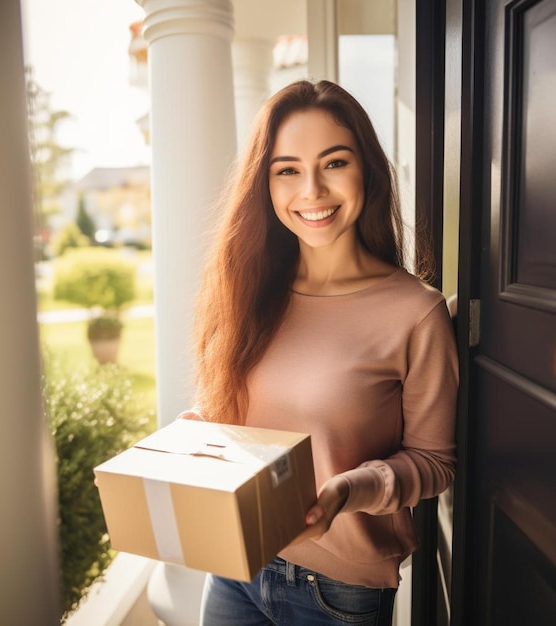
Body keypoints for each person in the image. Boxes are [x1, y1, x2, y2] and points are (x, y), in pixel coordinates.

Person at [186, 79, 459, 626]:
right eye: (287, 169)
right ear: (264, 185)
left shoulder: (415, 312)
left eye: (333, 163)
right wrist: (188, 438)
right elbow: (230, 417)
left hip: (336, 594)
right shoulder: (249, 292)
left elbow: (435, 463)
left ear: (368, 172)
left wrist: (350, 491)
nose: (311, 190)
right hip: (236, 567)